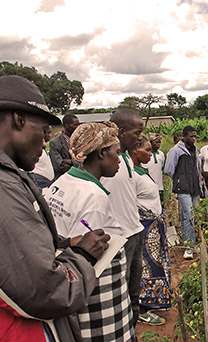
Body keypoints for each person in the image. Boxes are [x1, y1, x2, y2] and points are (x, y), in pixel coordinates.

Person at [0, 75, 109, 341]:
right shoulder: (4, 186)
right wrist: (83, 257)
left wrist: (66, 243)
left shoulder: (12, 176)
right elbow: (47, 289)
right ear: (19, 120)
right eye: (44, 131)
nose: (46, 143)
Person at [44, 121, 136, 341]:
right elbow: (87, 255)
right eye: (117, 152)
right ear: (102, 153)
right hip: (96, 295)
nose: (120, 160)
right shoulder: (94, 196)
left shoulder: (64, 181)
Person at [100, 108, 145, 326]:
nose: (140, 137)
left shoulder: (125, 157)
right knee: (120, 291)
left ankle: (132, 329)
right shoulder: (104, 158)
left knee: (134, 290)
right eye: (137, 132)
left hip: (134, 230)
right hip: (119, 236)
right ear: (122, 131)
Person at [130, 137, 171, 326]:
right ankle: (142, 308)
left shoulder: (141, 171)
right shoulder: (130, 174)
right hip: (144, 228)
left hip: (153, 227)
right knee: (144, 268)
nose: (150, 153)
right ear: (135, 150)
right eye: (147, 150)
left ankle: (152, 302)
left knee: (154, 266)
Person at [165, 125, 203, 260]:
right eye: (191, 136)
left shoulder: (195, 151)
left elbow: (198, 169)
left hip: (194, 187)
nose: (194, 139)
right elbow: (169, 169)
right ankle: (189, 247)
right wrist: (180, 179)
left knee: (188, 216)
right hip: (183, 188)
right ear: (185, 136)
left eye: (195, 136)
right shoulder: (176, 151)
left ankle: (186, 242)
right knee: (190, 214)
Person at [50, 113, 80, 179]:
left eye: (78, 124)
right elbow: (58, 166)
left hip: (80, 179)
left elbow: (86, 161)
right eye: (75, 125)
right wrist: (78, 165)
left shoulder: (81, 140)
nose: (78, 127)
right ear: (67, 126)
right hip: (64, 179)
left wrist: (70, 162)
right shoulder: (55, 143)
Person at [29, 125, 55, 189]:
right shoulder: (34, 147)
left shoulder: (43, 146)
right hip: (39, 181)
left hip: (47, 181)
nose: (50, 135)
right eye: (48, 133)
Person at [141, 133, 166, 201]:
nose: (158, 144)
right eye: (156, 142)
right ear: (151, 142)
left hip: (159, 186)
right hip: (147, 187)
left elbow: (161, 166)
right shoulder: (145, 154)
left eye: (159, 142)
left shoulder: (161, 154)